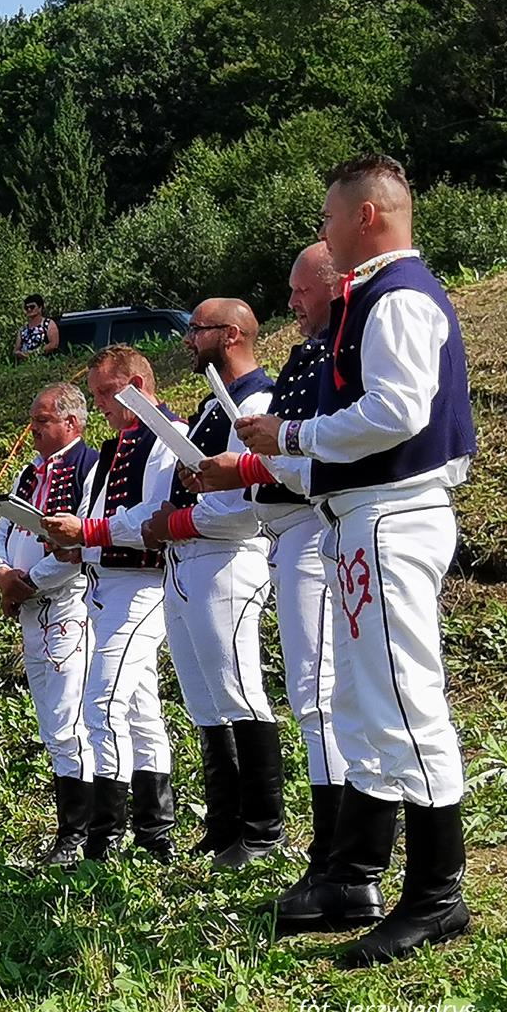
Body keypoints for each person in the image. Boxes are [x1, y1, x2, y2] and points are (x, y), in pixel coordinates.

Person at [236, 154, 476, 966]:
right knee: (368, 704)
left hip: (393, 518)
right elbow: (364, 433)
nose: (323, 232)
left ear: (367, 215)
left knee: (407, 701)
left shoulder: (398, 296)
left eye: (329, 217)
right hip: (362, 516)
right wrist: (281, 457)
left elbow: (398, 413)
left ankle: (437, 894)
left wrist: (294, 435)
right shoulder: (374, 298)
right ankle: (355, 873)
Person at [186, 242, 347, 893]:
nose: (292, 303)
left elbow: (329, 444)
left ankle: (335, 849)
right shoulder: (309, 355)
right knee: (306, 694)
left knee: (318, 695)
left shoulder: (340, 351)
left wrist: (245, 466)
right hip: (284, 530)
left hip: (311, 527)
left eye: (300, 290)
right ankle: (335, 844)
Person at [141, 298, 286, 870]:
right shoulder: (210, 401)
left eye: (196, 330)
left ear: (229, 335)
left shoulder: (256, 401)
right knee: (204, 699)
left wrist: (175, 520)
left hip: (227, 557)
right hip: (188, 558)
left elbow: (248, 506)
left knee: (238, 689)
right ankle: (224, 822)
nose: (186, 340)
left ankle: (262, 826)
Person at [41, 346, 178, 861]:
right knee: (142, 710)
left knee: (102, 702)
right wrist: (73, 539)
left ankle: (104, 835)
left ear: (137, 387)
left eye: (105, 392)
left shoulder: (165, 436)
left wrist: (90, 531)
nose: (99, 403)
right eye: (96, 393)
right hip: (105, 585)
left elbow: (152, 514)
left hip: (141, 584)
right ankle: (154, 832)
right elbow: (96, 514)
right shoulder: (118, 445)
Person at [0, 383, 103, 867]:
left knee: (68, 718)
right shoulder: (29, 471)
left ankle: (80, 832)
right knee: (53, 721)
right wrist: (0, 572)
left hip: (67, 604)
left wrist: (28, 581)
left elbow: (80, 547)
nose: (31, 430)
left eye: (41, 421)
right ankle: (73, 829)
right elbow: (0, 529)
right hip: (30, 605)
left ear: (71, 423)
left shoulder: (89, 466)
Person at [14, 295, 61, 362]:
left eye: (32, 307)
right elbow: (16, 350)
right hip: (25, 366)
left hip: (45, 362)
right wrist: (20, 354)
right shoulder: (22, 330)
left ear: (40, 308)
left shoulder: (48, 324)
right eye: (26, 308)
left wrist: (35, 353)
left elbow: (54, 344)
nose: (29, 309)